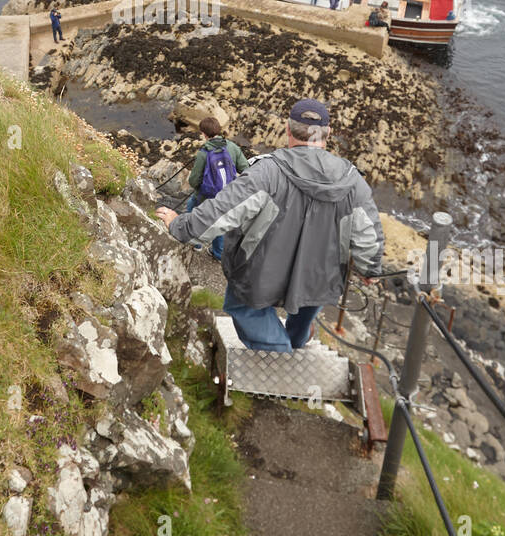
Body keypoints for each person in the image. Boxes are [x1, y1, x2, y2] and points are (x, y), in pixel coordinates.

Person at [156, 98, 384, 353]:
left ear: (287, 129)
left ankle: (279, 353)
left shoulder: (267, 172)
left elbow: (222, 211)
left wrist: (179, 224)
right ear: (327, 133)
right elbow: (368, 234)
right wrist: (369, 269)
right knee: (307, 303)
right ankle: (297, 341)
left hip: (262, 273)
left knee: (243, 306)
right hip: (321, 275)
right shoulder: (352, 180)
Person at [185, 116, 249, 261]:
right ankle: (218, 254)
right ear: (219, 130)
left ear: (204, 134)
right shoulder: (232, 147)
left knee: (192, 210)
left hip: (206, 195)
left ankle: (195, 244)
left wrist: (199, 190)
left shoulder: (203, 153)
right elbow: (246, 169)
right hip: (227, 195)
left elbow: (193, 180)